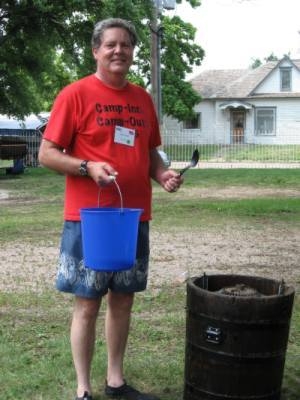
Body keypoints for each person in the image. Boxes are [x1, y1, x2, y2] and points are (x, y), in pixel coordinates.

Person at [38, 18, 183, 400]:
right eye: (111, 45)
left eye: (126, 45)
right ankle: (83, 389)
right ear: (95, 50)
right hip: (90, 219)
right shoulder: (75, 95)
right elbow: (47, 154)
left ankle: (115, 381)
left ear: (133, 52)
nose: (119, 51)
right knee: (87, 304)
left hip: (134, 216)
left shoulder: (142, 99)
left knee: (123, 299)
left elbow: (149, 151)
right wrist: (86, 167)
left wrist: (162, 174)